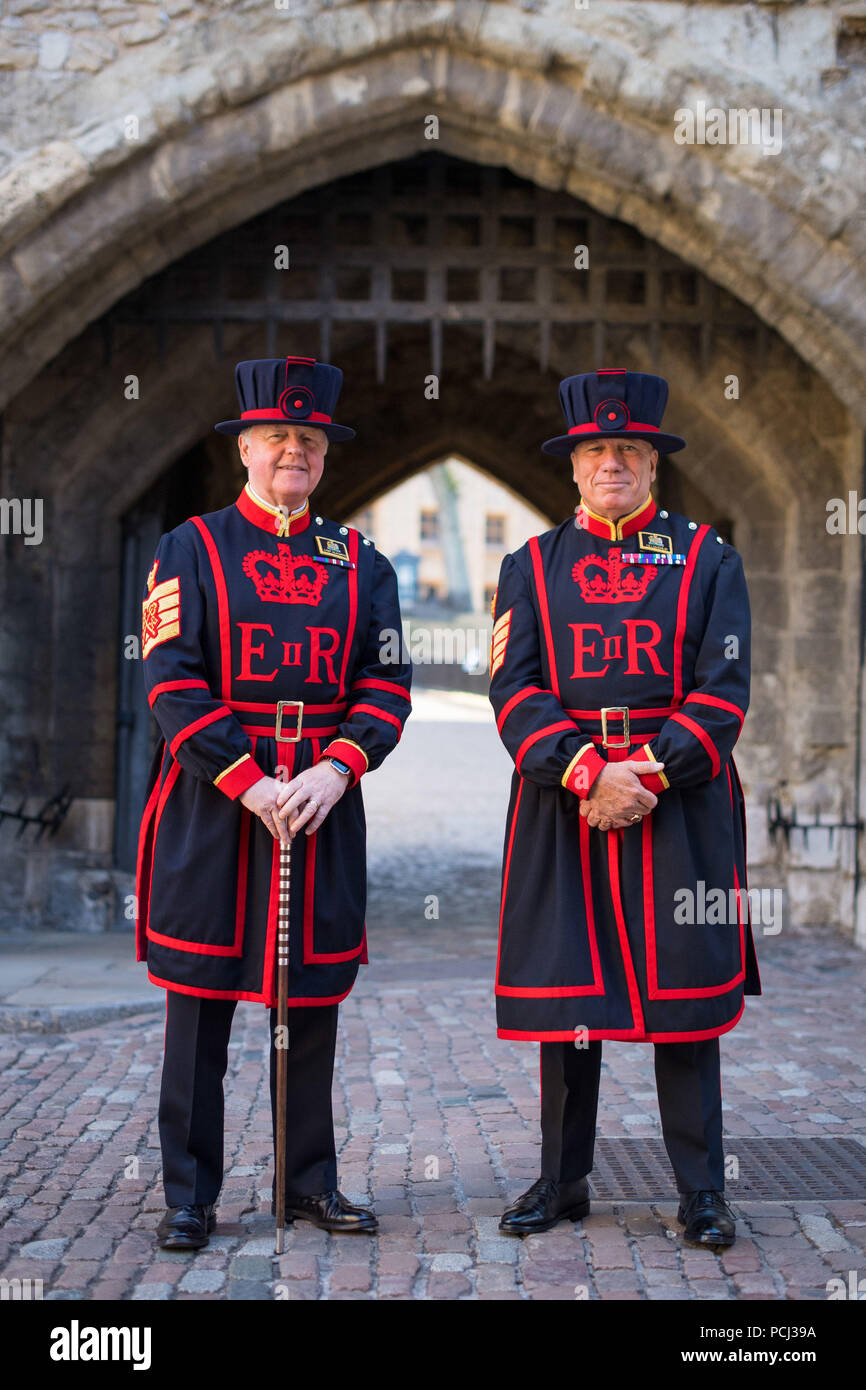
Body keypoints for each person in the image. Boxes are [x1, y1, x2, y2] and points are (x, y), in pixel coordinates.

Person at [136, 355, 411, 1249]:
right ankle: (189, 1193)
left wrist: (339, 766)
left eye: (310, 439)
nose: (295, 450)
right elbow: (172, 680)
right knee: (199, 1004)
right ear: (246, 448)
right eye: (278, 437)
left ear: (326, 456)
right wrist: (248, 779)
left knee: (312, 1006)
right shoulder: (191, 547)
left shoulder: (363, 561)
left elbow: (387, 681)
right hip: (217, 804)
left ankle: (306, 1184)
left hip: (322, 803)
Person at [488, 367, 760, 1248]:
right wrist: (582, 773)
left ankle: (703, 1192)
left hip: (678, 803)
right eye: (597, 450)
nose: (613, 462)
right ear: (573, 465)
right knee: (572, 998)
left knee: (685, 1003)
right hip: (563, 804)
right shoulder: (527, 566)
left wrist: (640, 772)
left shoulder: (710, 558)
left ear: (653, 461)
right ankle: (563, 1182)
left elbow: (723, 692)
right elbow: (514, 692)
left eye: (629, 450)